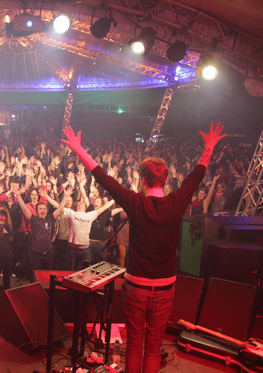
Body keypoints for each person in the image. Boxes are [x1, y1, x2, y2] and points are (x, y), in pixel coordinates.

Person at [62, 122, 226, 373]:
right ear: (166, 178)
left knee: (135, 343)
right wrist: (209, 147)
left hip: (137, 285)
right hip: (165, 286)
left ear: (142, 178)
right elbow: (196, 176)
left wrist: (79, 149)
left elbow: (103, 177)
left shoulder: (135, 202)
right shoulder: (177, 201)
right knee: (153, 345)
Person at [13, 184, 70, 271]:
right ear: (37, 211)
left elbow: (59, 209)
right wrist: (18, 196)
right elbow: (24, 208)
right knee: (36, 276)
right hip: (36, 255)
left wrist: (65, 197)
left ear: (46, 210)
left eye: (44, 209)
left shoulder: (50, 218)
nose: (43, 210)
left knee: (46, 277)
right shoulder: (33, 219)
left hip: (48, 254)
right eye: (40, 209)